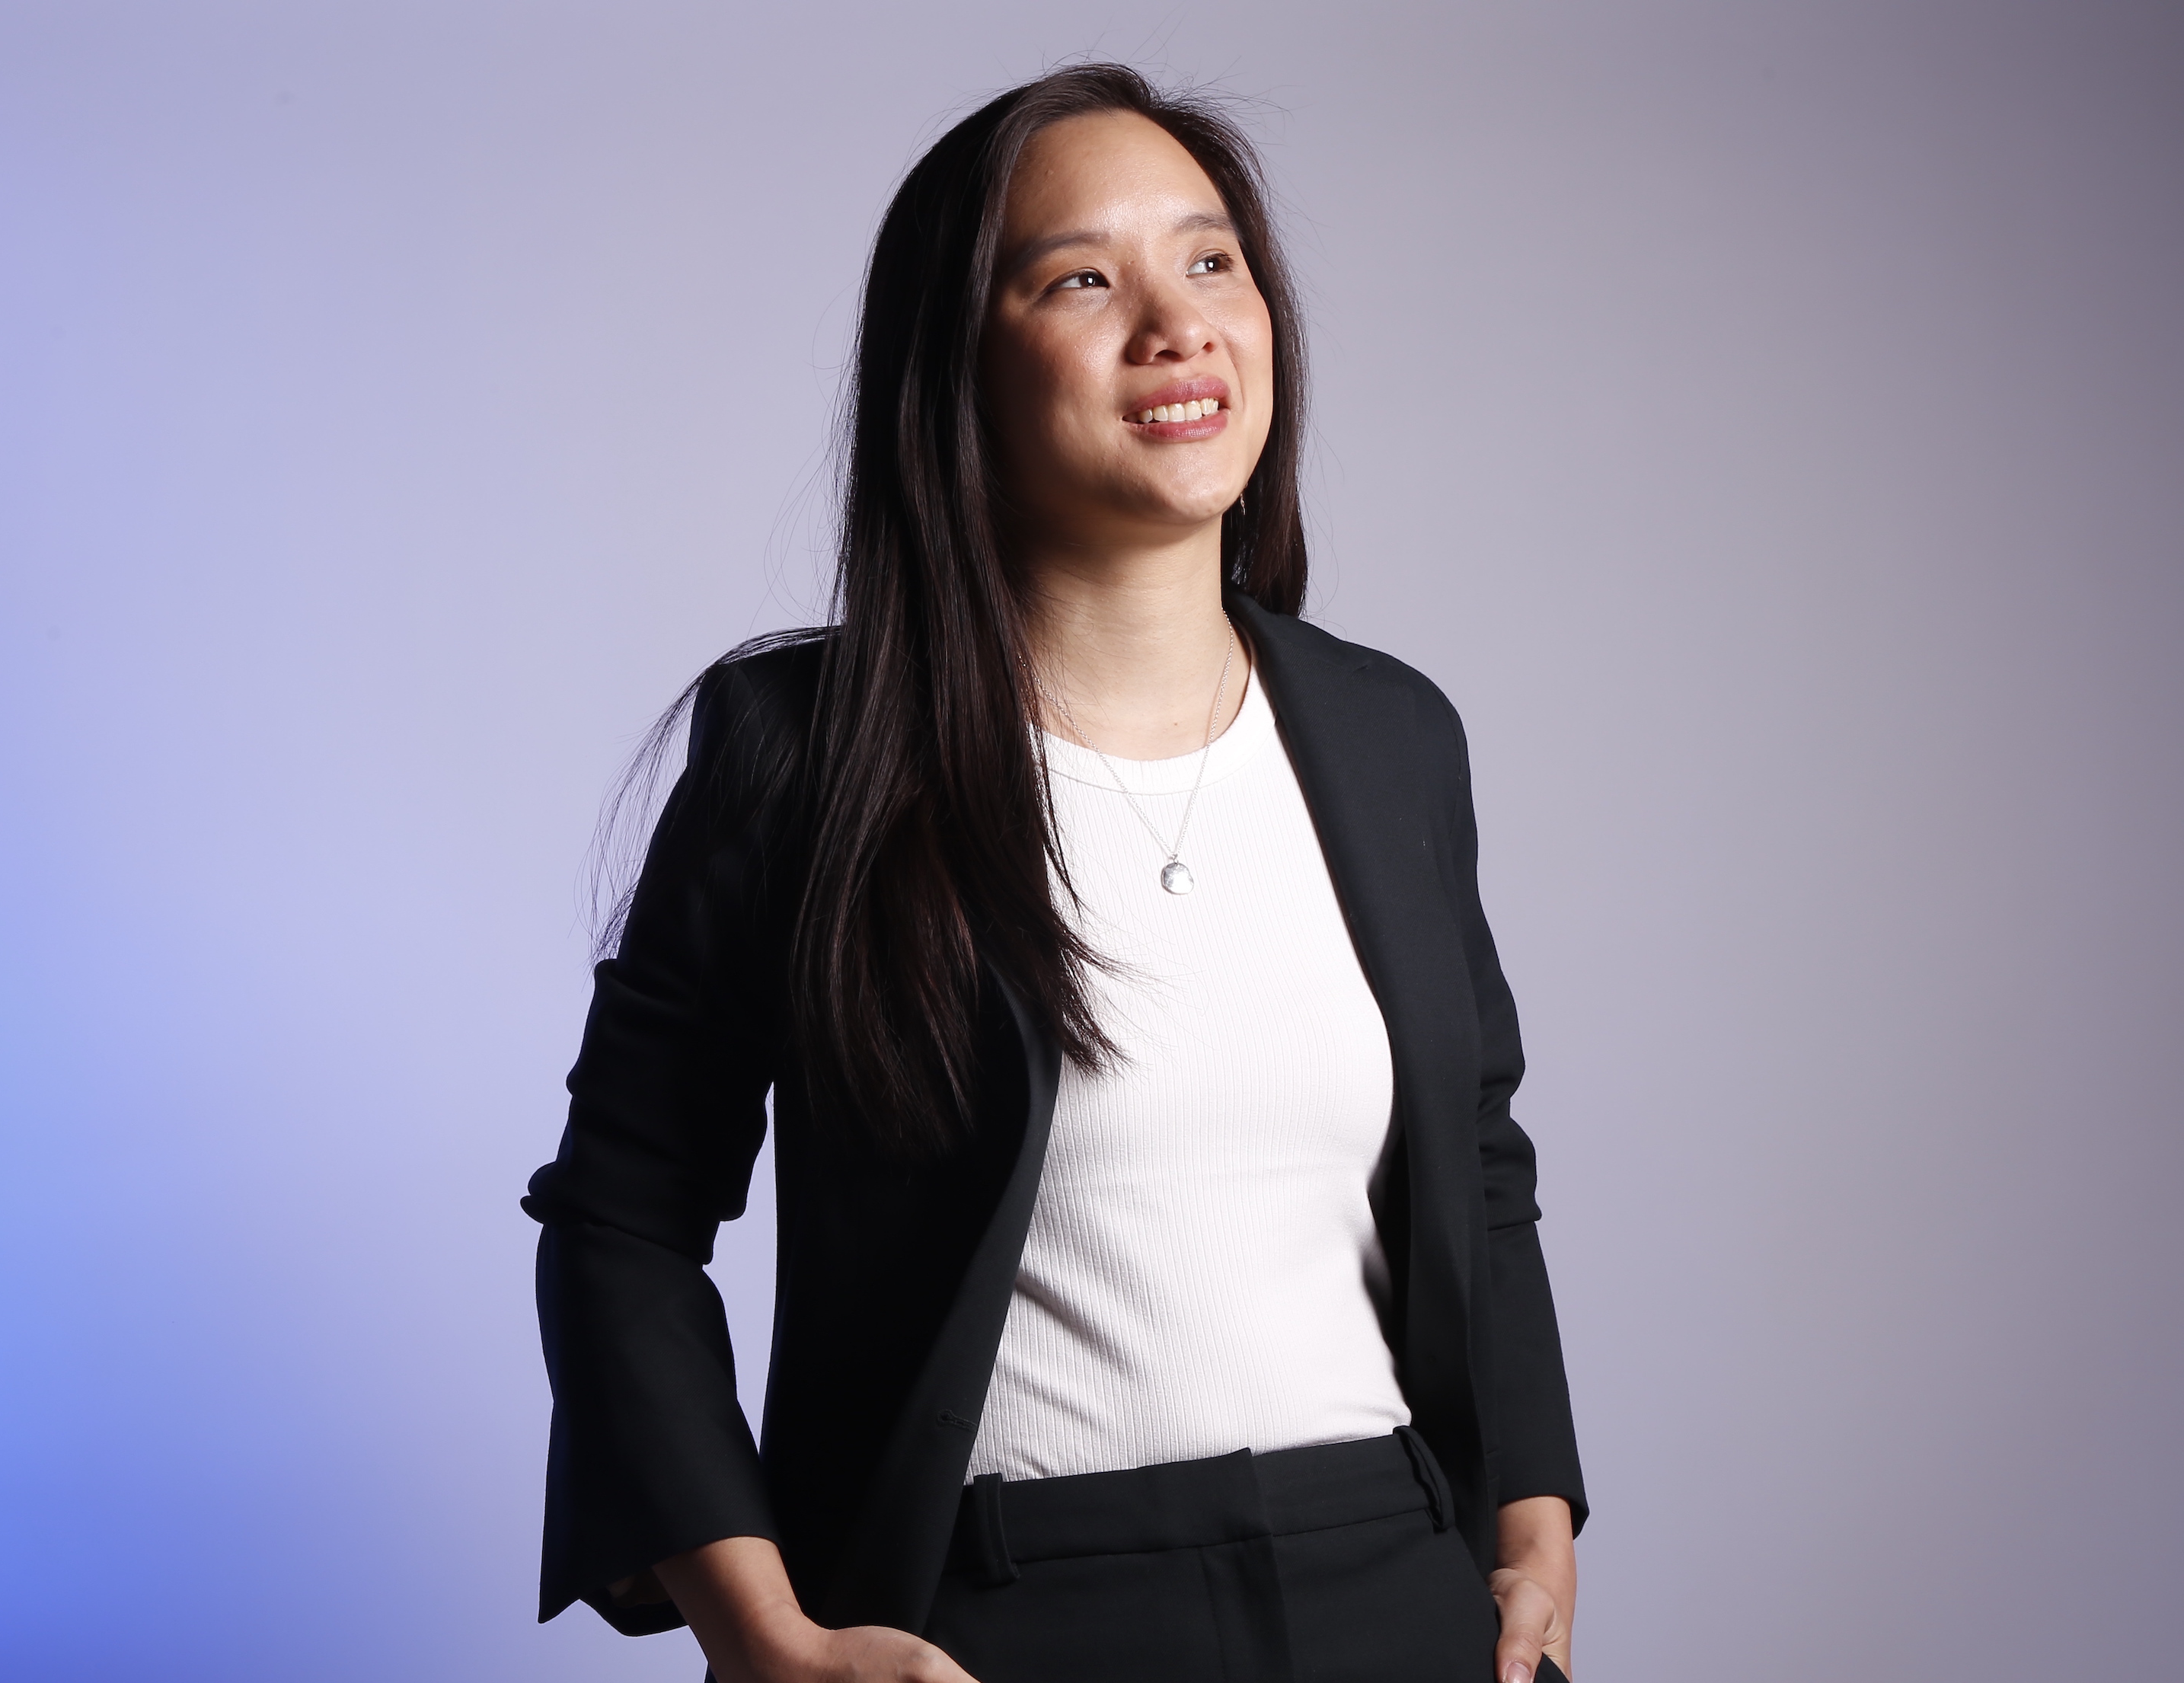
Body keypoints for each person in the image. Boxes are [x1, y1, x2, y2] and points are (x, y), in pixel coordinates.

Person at [525, 63, 1585, 1683]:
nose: (1176, 326)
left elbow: (1476, 1155)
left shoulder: (1388, 737)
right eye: (1079, 278)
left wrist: (1531, 1530)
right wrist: (767, 1639)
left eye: (1210, 261)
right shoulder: (805, 752)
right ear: (956, 366)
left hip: (1393, 1578)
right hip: (1014, 1607)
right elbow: (619, 1220)